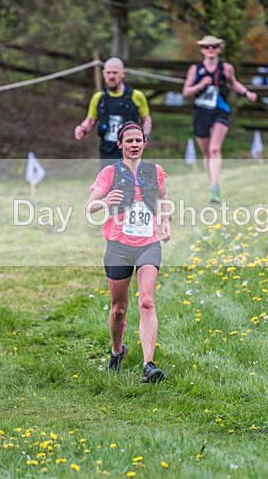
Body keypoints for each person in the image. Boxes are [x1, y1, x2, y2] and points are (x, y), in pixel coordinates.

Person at [86, 121, 171, 383]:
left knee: (147, 301)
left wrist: (166, 220)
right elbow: (89, 207)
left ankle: (148, 365)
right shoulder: (110, 173)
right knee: (118, 309)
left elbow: (163, 198)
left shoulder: (154, 171)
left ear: (144, 144)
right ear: (120, 145)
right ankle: (117, 350)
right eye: (129, 141)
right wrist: (103, 201)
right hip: (118, 246)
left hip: (148, 243)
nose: (134, 145)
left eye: (139, 140)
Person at [182, 35, 259, 203]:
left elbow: (234, 83)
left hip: (220, 111)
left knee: (215, 149)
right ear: (202, 49)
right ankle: (212, 184)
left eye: (214, 46)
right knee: (207, 153)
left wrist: (247, 93)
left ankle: (215, 186)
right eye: (207, 47)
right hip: (201, 112)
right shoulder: (195, 69)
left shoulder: (226, 68)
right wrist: (201, 85)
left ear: (219, 49)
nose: (211, 50)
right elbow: (186, 92)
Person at [74, 58, 153, 168]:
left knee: (129, 184)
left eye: (115, 73)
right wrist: (82, 128)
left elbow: (146, 120)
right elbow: (90, 120)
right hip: (107, 151)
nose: (111, 76)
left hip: (130, 152)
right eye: (108, 72)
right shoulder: (99, 98)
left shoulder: (136, 96)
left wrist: (146, 136)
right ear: (103, 74)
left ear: (123, 74)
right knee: (107, 184)